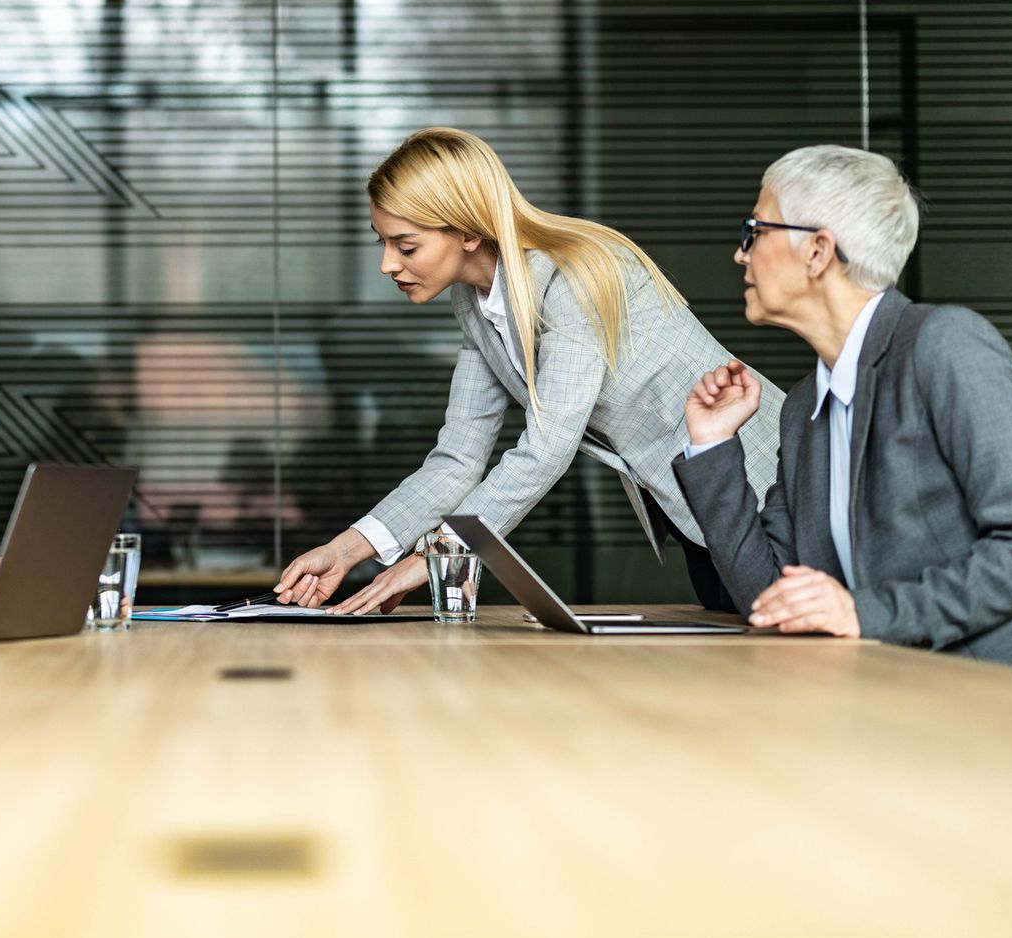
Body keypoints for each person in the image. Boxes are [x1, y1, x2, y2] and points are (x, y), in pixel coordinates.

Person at [277, 126, 784, 614]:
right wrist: (348, 548)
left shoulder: (572, 278)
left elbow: (547, 447)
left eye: (406, 246)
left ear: (468, 230)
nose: (388, 264)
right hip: (697, 514)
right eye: (382, 243)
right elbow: (457, 458)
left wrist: (436, 555)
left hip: (771, 489)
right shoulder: (474, 303)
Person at [674, 144, 1012, 677]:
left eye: (756, 231)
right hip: (906, 688)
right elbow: (770, 595)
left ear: (819, 252)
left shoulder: (945, 346)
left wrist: (862, 612)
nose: (741, 254)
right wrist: (712, 444)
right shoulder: (804, 408)